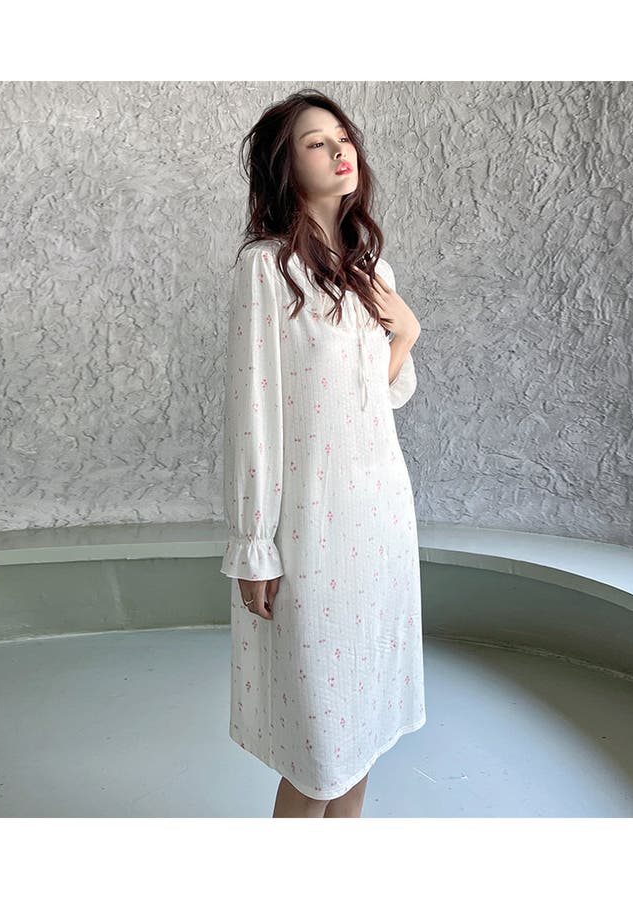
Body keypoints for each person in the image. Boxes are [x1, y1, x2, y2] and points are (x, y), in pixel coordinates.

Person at [220, 89, 426, 818]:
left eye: (344, 137)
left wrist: (405, 333)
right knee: (319, 753)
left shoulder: (374, 269)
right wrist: (254, 543)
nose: (341, 151)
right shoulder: (267, 269)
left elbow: (380, 398)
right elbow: (253, 412)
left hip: (380, 515)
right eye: (317, 142)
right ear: (285, 166)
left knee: (362, 734)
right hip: (313, 524)